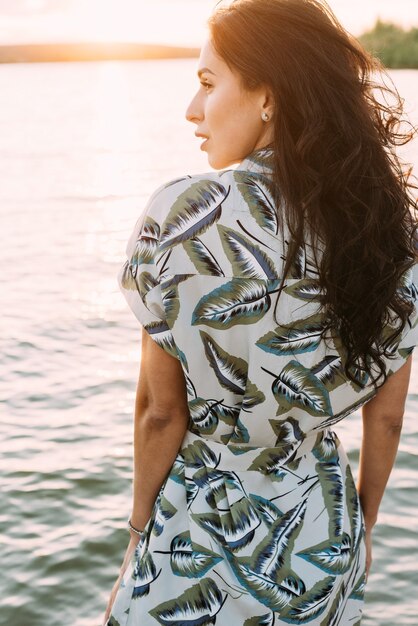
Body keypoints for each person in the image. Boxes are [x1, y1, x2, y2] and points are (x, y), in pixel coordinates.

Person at [103, 0, 418, 624]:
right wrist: (361, 531)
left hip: (196, 535)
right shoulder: (388, 231)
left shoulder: (181, 215)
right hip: (320, 541)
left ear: (268, 96)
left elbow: (161, 413)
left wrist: (138, 536)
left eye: (207, 83)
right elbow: (384, 424)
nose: (191, 110)